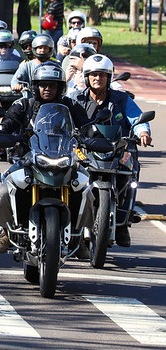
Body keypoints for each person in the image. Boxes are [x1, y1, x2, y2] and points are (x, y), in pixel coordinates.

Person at [0, 62, 91, 254]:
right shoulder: (23, 104)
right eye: (43, 84)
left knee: (86, 188)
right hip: (27, 159)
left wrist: (93, 137)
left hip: (64, 159)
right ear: (35, 86)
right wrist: (1, 131)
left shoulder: (70, 106)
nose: (47, 88)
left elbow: (86, 127)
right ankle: (6, 232)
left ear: (60, 87)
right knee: (5, 189)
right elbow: (9, 122)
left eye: (52, 85)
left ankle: (81, 237)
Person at [69, 55, 152, 247]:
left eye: (102, 75)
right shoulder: (75, 99)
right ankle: (70, 221)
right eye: (94, 75)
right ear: (87, 77)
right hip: (85, 150)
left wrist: (143, 132)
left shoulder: (121, 99)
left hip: (117, 149)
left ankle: (123, 221)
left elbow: (136, 117)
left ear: (109, 77)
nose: (98, 78)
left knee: (129, 175)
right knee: (71, 176)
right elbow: (63, 117)